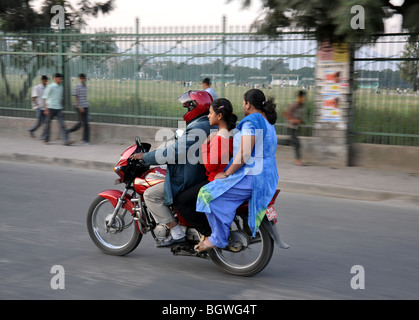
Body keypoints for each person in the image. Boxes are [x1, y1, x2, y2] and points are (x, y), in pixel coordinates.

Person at [195, 88, 279, 252]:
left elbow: (245, 153)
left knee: (206, 194)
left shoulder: (251, 122)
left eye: (243, 102)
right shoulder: (267, 122)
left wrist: (226, 174)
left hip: (252, 175)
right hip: (268, 176)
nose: (243, 106)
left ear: (248, 104)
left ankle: (217, 238)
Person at [130, 90, 214, 247]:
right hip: (198, 173)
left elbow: (176, 152)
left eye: (188, 107)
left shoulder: (198, 128)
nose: (186, 111)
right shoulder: (207, 123)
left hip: (188, 176)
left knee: (150, 194)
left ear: (195, 107)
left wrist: (147, 157)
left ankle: (176, 232)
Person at [173, 98, 236, 237]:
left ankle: (208, 234)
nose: (208, 116)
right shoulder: (230, 135)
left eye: (210, 113)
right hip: (220, 179)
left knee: (180, 201)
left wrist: (203, 146)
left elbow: (209, 165)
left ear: (219, 116)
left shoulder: (219, 139)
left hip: (214, 181)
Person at [42, 73, 73, 146]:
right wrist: (45, 109)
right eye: (59, 78)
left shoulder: (61, 87)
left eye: (61, 78)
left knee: (62, 124)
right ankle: (46, 139)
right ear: (55, 79)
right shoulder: (50, 87)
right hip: (50, 108)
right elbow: (44, 98)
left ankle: (66, 140)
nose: (60, 80)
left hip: (59, 108)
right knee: (48, 124)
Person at [279, 90, 306, 166]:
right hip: (291, 127)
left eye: (304, 97)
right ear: (299, 97)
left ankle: (274, 141)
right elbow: (284, 113)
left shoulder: (301, 105)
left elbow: (297, 115)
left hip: (295, 127)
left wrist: (301, 121)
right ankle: (298, 160)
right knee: (296, 143)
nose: (304, 99)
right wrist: (292, 120)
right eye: (303, 97)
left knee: (290, 142)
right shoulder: (294, 105)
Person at [67, 73, 90, 144]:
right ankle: (68, 131)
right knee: (80, 123)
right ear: (79, 79)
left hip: (85, 106)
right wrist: (80, 107)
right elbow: (75, 97)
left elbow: (85, 97)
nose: (82, 79)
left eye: (84, 78)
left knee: (86, 123)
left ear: (85, 78)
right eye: (81, 78)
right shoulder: (76, 86)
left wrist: (86, 105)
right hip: (79, 107)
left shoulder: (85, 86)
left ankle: (86, 140)